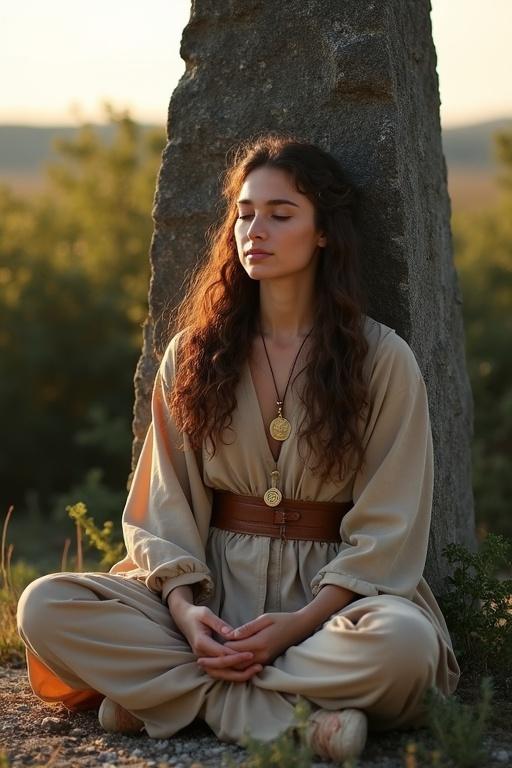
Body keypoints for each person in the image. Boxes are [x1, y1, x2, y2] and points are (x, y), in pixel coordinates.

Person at [17, 133, 460, 764]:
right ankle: (297, 717)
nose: (257, 229)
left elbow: (390, 527)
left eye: (281, 215)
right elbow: (162, 503)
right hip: (210, 599)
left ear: (324, 232)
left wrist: (298, 624)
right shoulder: (195, 354)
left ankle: (162, 705)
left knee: (405, 649)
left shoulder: (383, 360)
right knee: (46, 606)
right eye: (246, 213)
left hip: (333, 609)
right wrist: (187, 613)